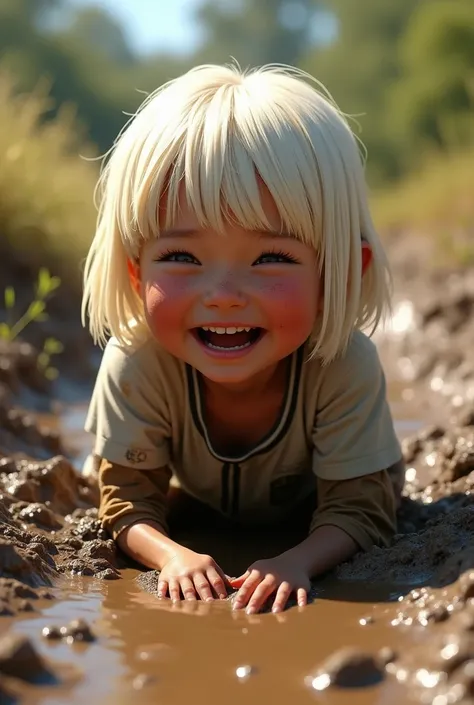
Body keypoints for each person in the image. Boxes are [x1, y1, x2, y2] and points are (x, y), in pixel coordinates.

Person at [82, 62, 405, 615]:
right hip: (194, 505)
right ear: (138, 275)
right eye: (182, 257)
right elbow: (124, 501)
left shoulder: (342, 363)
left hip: (313, 509)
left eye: (272, 257)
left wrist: (297, 561)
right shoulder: (137, 361)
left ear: (338, 274)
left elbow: (363, 510)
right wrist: (171, 556)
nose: (224, 295)